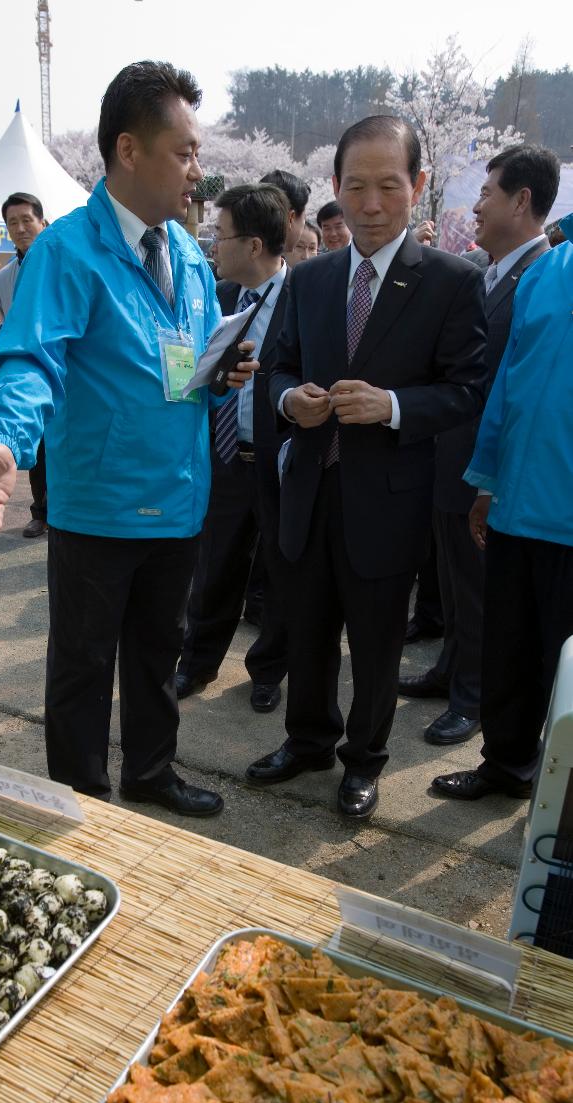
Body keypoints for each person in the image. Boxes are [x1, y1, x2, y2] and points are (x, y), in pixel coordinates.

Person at [0, 61, 257, 817]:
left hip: (179, 495)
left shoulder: (187, 252)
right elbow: (31, 358)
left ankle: (151, 771)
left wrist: (217, 373)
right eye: (183, 151)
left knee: (160, 655)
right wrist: (5, 440)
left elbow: (180, 357)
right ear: (129, 151)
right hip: (100, 507)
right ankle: (81, 797)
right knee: (83, 666)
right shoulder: (69, 252)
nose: (197, 169)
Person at [246, 115, 487, 819]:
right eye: (356, 186)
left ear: (417, 185)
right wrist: (291, 397)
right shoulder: (310, 279)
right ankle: (306, 740)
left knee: (377, 641)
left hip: (388, 496)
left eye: (389, 185)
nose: (371, 203)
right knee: (308, 625)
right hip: (309, 488)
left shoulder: (449, 280)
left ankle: (363, 760)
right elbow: (278, 366)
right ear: (334, 187)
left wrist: (390, 406)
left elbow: (466, 387)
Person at [400, 144, 560, 747]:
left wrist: (490, 478)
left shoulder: (540, 279)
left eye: (488, 194)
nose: (476, 206)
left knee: (481, 589)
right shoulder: (487, 272)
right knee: (451, 580)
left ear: (522, 201)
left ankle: (473, 697)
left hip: (486, 470)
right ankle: (450, 670)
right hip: (452, 456)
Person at [431, 211, 573, 803]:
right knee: (510, 646)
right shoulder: (548, 272)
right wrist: (486, 483)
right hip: (517, 502)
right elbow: (507, 387)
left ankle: (561, 803)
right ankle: (507, 765)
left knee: (568, 674)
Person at [176, 182, 299, 714]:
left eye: (220, 236)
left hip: (280, 466)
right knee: (215, 567)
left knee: (279, 575)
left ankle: (268, 671)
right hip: (226, 460)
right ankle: (197, 663)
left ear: (253, 245)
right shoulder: (220, 299)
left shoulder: (303, 299)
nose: (212, 247)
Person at [0, 192, 50, 538]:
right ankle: (40, 511)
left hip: (69, 374)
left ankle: (65, 513)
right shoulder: (2, 279)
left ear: (42, 221)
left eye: (27, 220)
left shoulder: (64, 263)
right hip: (31, 377)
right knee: (38, 450)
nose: (20, 228)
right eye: (12, 223)